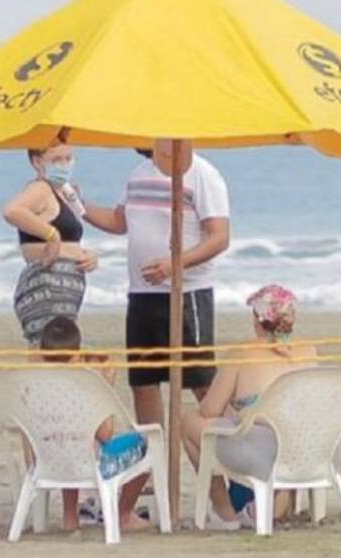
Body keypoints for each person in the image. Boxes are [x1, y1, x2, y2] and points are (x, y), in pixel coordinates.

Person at [82, 140, 230, 528]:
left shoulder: (204, 175)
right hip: (142, 295)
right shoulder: (138, 175)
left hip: (187, 293)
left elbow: (219, 237)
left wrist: (174, 264)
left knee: (203, 387)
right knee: (144, 386)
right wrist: (78, 206)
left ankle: (226, 489)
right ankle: (156, 483)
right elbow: (120, 221)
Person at [182, 285, 316, 529]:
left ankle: (224, 513)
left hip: (261, 453)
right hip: (307, 448)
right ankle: (271, 505)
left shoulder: (242, 353)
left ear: (257, 320)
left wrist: (236, 404)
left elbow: (209, 410)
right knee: (272, 423)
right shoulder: (308, 350)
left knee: (190, 421)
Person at [2, 143, 98, 347]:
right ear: (38, 162)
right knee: (47, 348)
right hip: (48, 285)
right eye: (56, 160)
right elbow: (12, 211)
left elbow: (70, 240)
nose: (64, 165)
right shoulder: (40, 189)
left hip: (67, 289)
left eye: (68, 158)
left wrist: (87, 255)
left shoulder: (64, 191)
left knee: (61, 351)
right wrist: (51, 235)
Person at [37, 316, 115, 532]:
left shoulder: (36, 388)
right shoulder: (83, 389)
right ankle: (124, 513)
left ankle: (69, 516)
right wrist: (106, 385)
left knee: (68, 443)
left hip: (48, 458)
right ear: (78, 355)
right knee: (145, 444)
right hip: (85, 461)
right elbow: (106, 434)